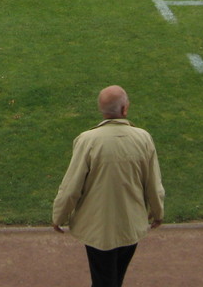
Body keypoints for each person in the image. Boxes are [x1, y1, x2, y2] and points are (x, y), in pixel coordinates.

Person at [53, 86, 165, 287]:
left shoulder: (87, 140)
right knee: (115, 279)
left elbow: (71, 188)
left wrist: (59, 216)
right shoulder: (143, 138)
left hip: (98, 229)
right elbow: (153, 185)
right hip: (130, 226)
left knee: (103, 281)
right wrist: (158, 213)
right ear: (125, 109)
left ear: (102, 110)